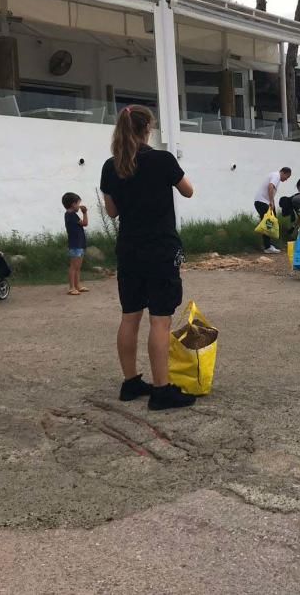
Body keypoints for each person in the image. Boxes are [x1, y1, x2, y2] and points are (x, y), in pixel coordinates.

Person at [100, 105, 197, 411]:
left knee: (130, 315)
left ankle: (130, 383)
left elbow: (112, 212)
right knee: (160, 319)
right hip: (160, 249)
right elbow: (189, 192)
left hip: (129, 250)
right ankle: (161, 389)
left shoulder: (110, 166)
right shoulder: (162, 160)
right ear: (147, 129)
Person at [254, 167, 292, 254]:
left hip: (263, 201)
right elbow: (270, 186)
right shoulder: (276, 176)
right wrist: (271, 201)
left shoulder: (275, 176)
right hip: (262, 202)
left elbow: (271, 191)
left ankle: (268, 244)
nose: (286, 179)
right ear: (284, 173)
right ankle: (267, 247)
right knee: (268, 223)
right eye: (287, 177)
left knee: (270, 221)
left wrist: (272, 202)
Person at [62, 192, 89, 295]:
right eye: (78, 203)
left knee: (78, 266)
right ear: (73, 204)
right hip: (75, 244)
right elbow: (85, 223)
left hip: (80, 243)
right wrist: (85, 212)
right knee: (74, 266)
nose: (79, 205)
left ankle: (78, 285)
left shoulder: (72, 215)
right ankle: (71, 287)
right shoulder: (70, 215)